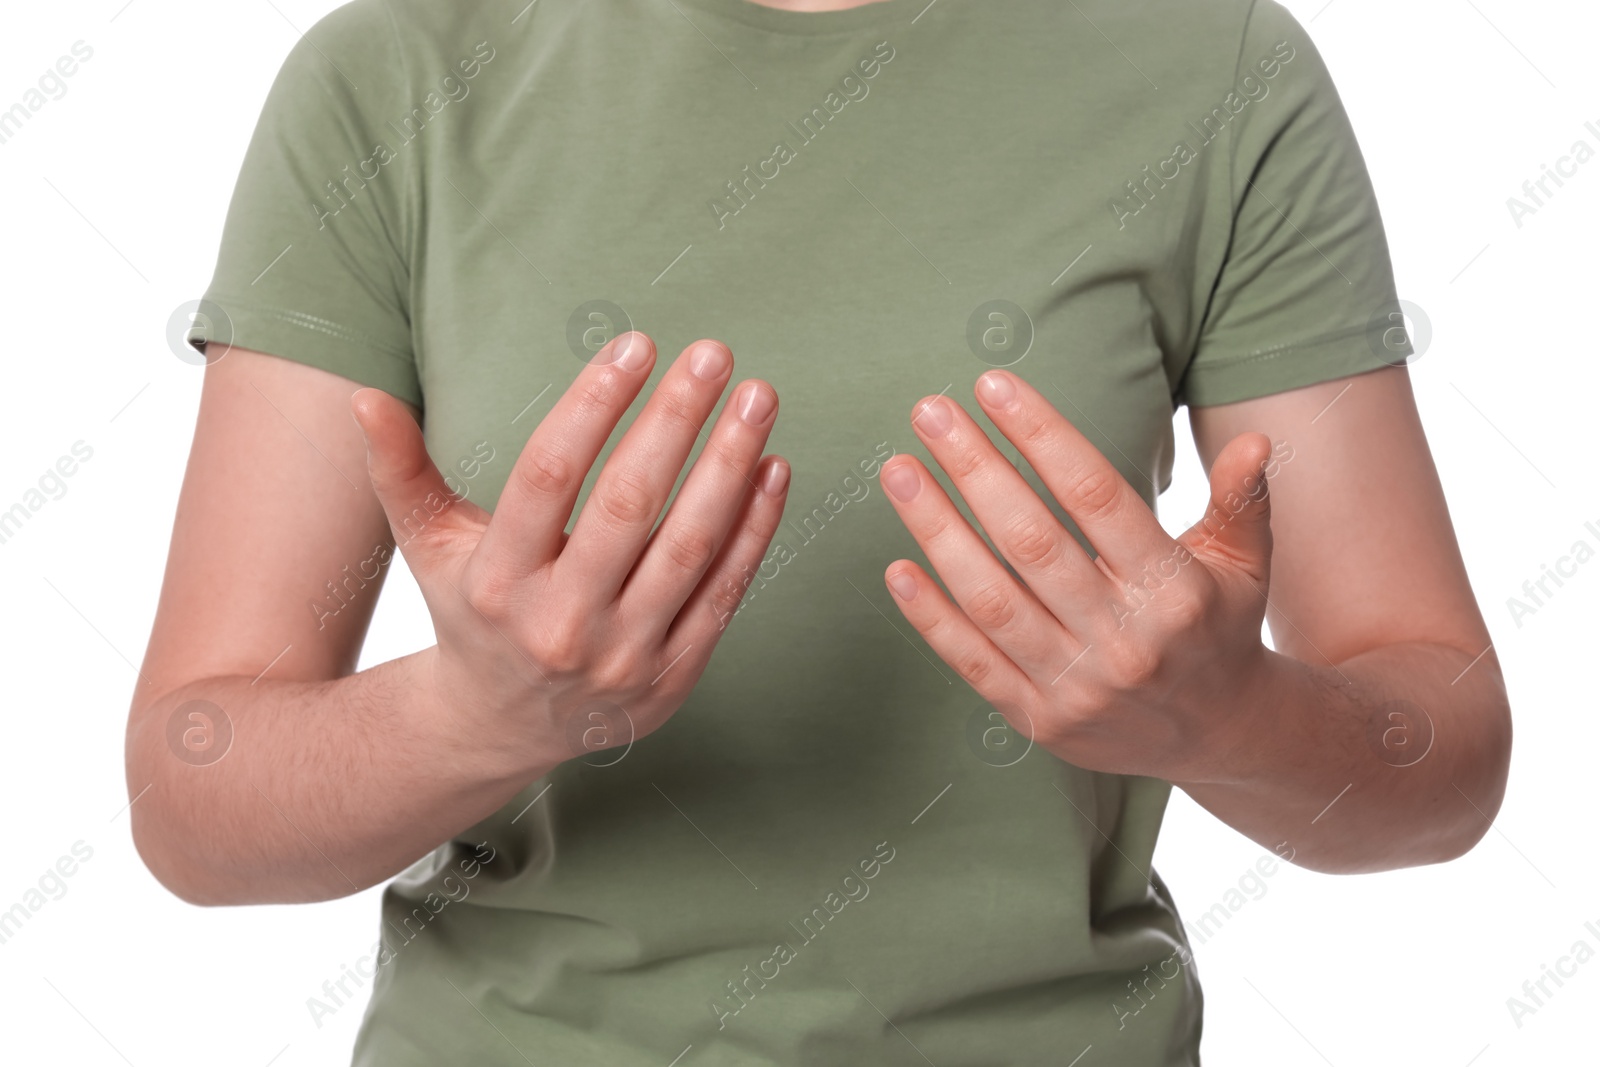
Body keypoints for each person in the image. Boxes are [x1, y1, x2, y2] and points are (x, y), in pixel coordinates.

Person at [127, 0, 1511, 1062]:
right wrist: (473, 714)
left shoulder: (1217, 66)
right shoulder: (396, 72)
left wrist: (1231, 717)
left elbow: (1442, 751)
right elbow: (196, 802)